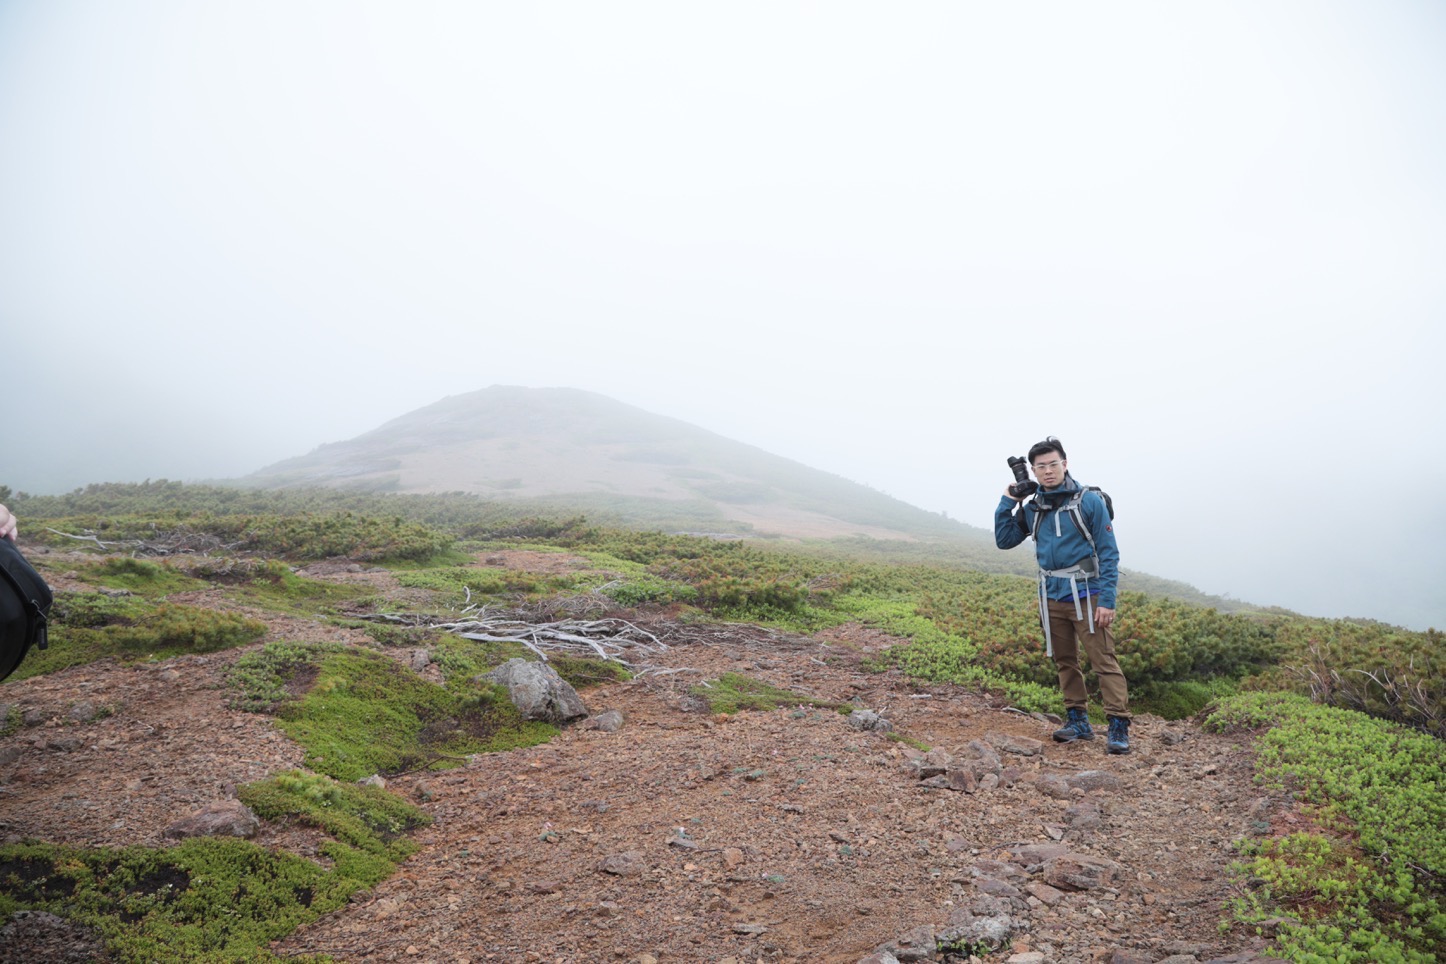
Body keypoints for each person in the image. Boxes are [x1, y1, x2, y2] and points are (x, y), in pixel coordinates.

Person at [994, 437, 1131, 754]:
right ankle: (1078, 722)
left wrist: (1108, 600)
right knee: (1064, 661)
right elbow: (1004, 540)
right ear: (1033, 470)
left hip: (1088, 593)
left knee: (1103, 660)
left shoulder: (1089, 502)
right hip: (1052, 595)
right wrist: (1007, 499)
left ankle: (1118, 725)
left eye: (1053, 464)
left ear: (1065, 464)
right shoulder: (1034, 508)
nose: (1048, 471)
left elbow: (1109, 554)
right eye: (1040, 466)